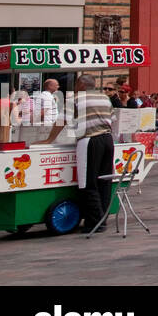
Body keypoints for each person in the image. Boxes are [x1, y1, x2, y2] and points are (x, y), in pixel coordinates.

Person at [46, 75, 113, 233]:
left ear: (81, 84)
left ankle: (95, 222)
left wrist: (49, 139)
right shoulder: (104, 98)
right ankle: (103, 218)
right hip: (108, 139)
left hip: (90, 140)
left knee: (87, 183)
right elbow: (112, 119)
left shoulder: (75, 99)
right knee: (104, 181)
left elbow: (61, 121)